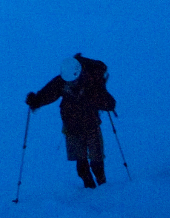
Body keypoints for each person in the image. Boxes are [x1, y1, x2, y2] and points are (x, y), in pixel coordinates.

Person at [26, 53, 116, 188]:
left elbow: (109, 103)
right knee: (81, 166)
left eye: (74, 80)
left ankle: (103, 187)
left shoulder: (92, 81)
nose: (71, 83)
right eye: (68, 81)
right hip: (72, 127)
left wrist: (102, 101)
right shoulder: (62, 81)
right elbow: (49, 93)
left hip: (91, 124)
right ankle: (89, 190)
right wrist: (36, 101)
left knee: (97, 162)